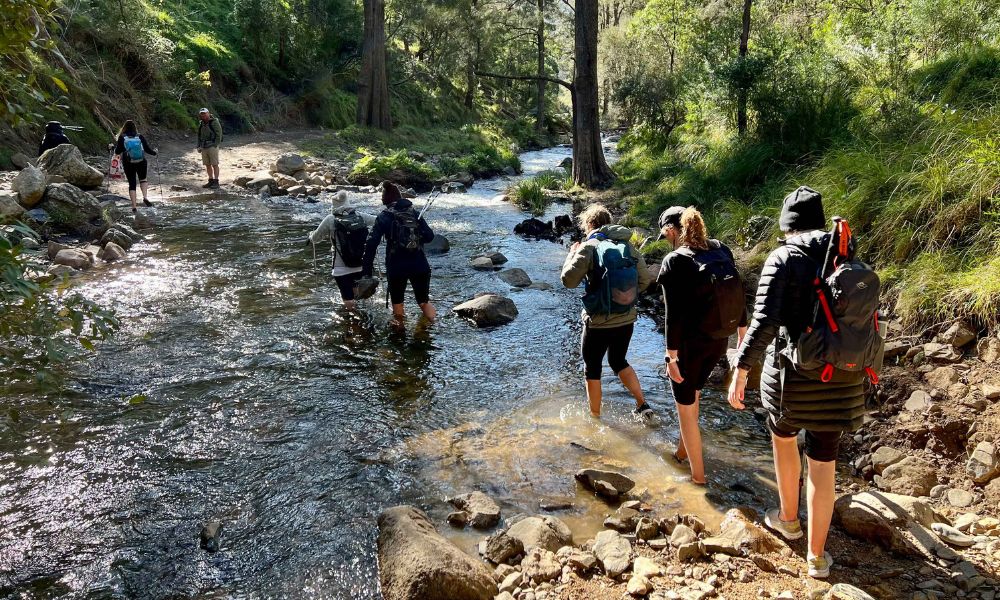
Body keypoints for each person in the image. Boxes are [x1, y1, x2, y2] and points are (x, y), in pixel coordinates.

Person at [727, 187, 867, 579]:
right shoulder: (846, 255)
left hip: (792, 380)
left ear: (786, 223)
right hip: (841, 378)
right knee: (824, 463)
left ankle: (788, 519)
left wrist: (740, 371)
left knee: (784, 438)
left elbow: (765, 323)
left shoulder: (783, 257)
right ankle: (817, 558)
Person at [657, 206, 747, 485]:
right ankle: (681, 453)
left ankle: (697, 479)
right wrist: (742, 338)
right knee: (694, 394)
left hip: (689, 347)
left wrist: (671, 359)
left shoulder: (674, 261)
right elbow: (738, 291)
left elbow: (672, 316)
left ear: (672, 231)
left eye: (665, 235)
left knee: (685, 408)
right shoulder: (720, 249)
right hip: (719, 341)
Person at [560, 204, 654, 419]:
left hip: (598, 322)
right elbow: (645, 280)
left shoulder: (589, 246)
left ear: (590, 224)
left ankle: (595, 418)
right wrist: (624, 299)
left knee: (592, 368)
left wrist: (571, 255)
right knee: (618, 361)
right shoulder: (627, 246)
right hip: (626, 319)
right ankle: (642, 404)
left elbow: (568, 281)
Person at [361, 183, 436, 325]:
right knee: (423, 301)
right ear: (400, 197)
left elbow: (371, 245)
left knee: (398, 304)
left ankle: (400, 337)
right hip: (420, 264)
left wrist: (367, 273)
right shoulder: (414, 213)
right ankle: (433, 328)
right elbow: (430, 237)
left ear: (384, 201)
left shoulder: (383, 216)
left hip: (396, 267)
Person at [308, 191, 376, 310]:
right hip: (361, 264)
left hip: (341, 268)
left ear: (333, 205)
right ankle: (363, 317)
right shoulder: (360, 216)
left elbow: (315, 238)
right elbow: (377, 220)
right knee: (357, 293)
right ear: (348, 203)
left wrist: (310, 236)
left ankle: (354, 322)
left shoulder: (330, 219)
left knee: (348, 299)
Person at [113, 120, 158, 212]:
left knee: (132, 183)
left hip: (128, 161)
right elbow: (147, 149)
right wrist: (155, 153)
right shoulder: (139, 136)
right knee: (143, 179)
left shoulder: (122, 137)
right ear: (134, 127)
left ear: (124, 128)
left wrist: (110, 148)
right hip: (141, 161)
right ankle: (145, 197)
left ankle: (134, 206)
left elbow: (117, 151)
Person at [196, 108, 223, 189]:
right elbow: (199, 135)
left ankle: (216, 181)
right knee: (207, 165)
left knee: (215, 164)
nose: (203, 115)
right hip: (204, 146)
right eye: (202, 114)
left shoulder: (214, 122)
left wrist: (215, 144)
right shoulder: (201, 123)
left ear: (208, 113)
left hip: (212, 146)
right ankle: (210, 181)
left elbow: (219, 134)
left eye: (205, 113)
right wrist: (198, 146)